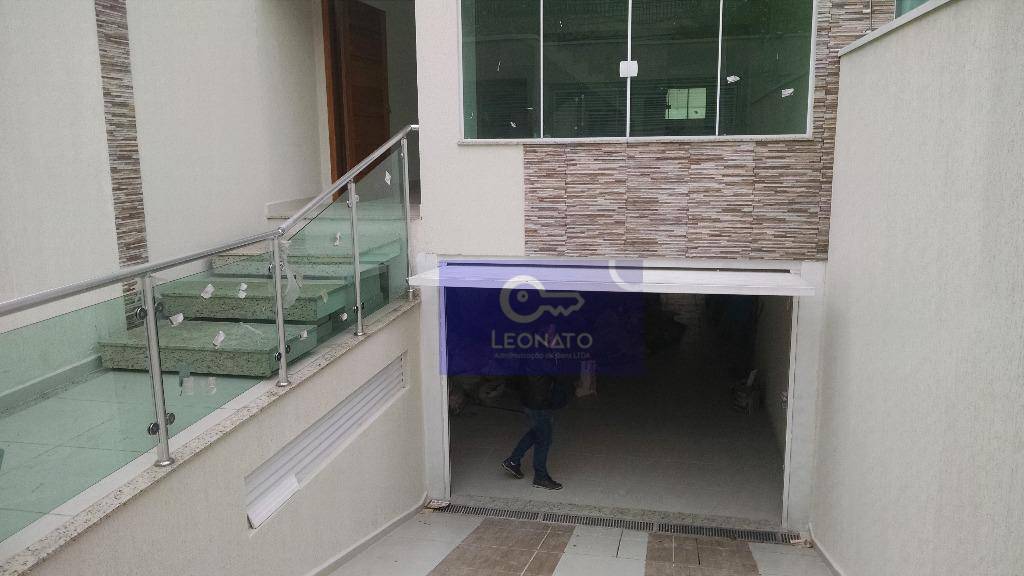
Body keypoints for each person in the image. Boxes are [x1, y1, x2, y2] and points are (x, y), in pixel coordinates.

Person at [501, 372, 570, 490]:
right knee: (544, 439)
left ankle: (513, 461)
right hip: (540, 401)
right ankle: (540, 477)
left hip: (529, 398)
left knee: (536, 431)